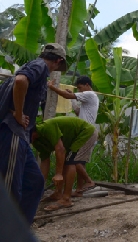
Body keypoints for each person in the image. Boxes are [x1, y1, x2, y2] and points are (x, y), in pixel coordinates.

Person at [0, 43, 67, 224]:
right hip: (12, 132)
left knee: (34, 182)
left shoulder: (34, 69)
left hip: (21, 136)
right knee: (10, 188)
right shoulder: (40, 66)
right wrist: (19, 114)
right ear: (58, 61)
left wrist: (16, 112)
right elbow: (21, 81)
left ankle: (19, 229)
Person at [31, 116, 97, 211]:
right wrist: (40, 184)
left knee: (69, 161)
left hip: (85, 133)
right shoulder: (37, 141)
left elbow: (60, 149)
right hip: (72, 141)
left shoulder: (46, 127)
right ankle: (58, 193)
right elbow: (45, 161)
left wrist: (58, 174)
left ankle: (66, 199)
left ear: (32, 133)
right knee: (66, 160)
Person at [48, 75, 99, 196]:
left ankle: (89, 181)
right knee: (80, 160)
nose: (79, 90)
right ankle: (79, 189)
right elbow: (77, 111)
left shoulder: (90, 94)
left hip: (85, 131)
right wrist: (72, 99)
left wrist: (52, 87)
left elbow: (66, 95)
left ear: (87, 85)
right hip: (87, 131)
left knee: (73, 160)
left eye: (80, 88)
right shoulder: (89, 98)